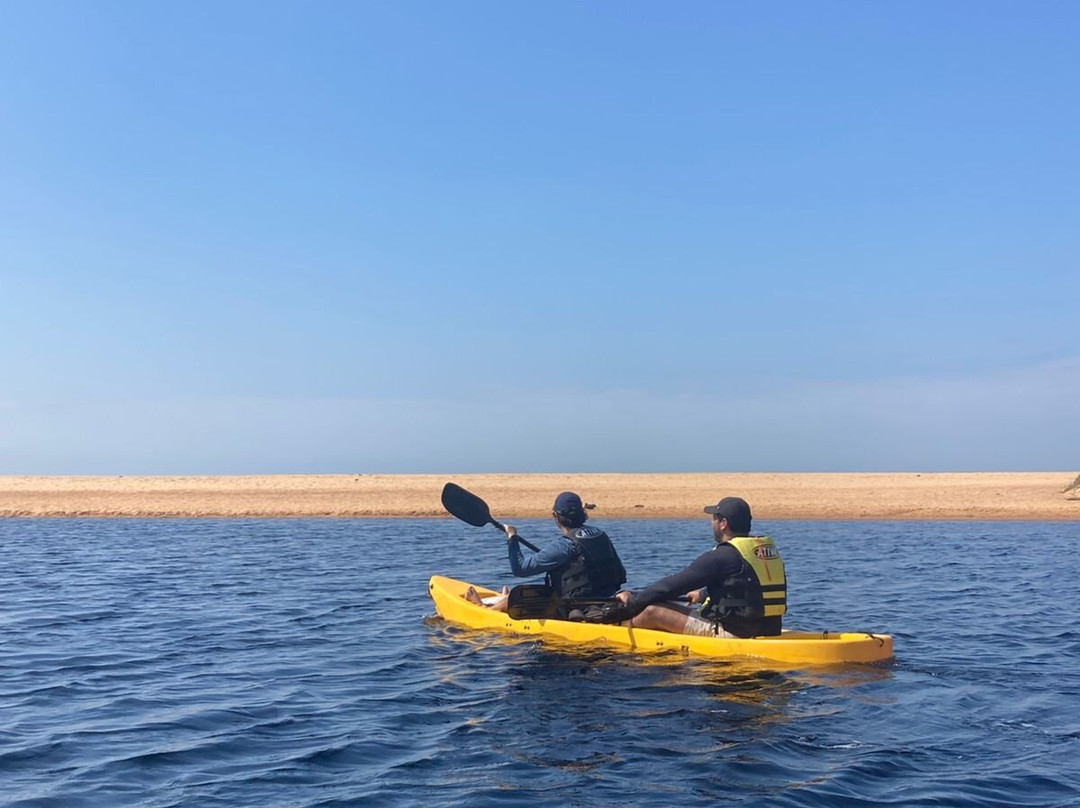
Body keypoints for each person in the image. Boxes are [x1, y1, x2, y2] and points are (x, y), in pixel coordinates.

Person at [596, 496, 786, 638]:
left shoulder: (721, 556)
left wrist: (634, 601)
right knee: (659, 603)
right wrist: (703, 594)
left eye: (714, 518)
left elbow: (670, 587)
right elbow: (747, 585)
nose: (711, 522)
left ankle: (613, 632)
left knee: (651, 610)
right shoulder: (763, 551)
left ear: (723, 524)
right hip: (769, 629)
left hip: (732, 633)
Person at [464, 491, 627, 613]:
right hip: (609, 599)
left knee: (522, 594)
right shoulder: (600, 535)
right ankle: (504, 599)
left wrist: (512, 538)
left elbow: (520, 568)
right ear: (583, 514)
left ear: (556, 516)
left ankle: (486, 609)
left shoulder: (564, 546)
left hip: (579, 606)